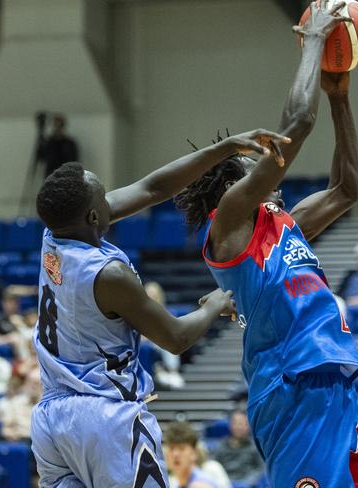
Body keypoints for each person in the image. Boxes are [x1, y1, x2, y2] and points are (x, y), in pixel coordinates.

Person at [175, 3, 358, 486]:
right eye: (254, 166)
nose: (269, 170)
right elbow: (296, 125)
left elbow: (348, 190)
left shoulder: (286, 223)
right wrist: (315, 42)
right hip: (291, 388)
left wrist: (339, 95)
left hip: (333, 385)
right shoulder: (231, 222)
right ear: (232, 186)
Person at [30, 129, 288, 484]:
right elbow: (176, 337)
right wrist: (214, 305)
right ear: (92, 216)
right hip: (104, 418)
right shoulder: (108, 274)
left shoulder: (55, 235)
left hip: (51, 421)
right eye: (103, 197)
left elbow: (153, 188)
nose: (111, 200)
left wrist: (223, 148)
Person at [213, 409, 263, 485]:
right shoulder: (220, 446)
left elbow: (261, 469)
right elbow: (212, 466)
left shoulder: (256, 447)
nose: (239, 427)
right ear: (230, 425)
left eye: (243, 423)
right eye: (236, 423)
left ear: (249, 425)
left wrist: (247, 483)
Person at [165, 422, 217, 488]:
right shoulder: (176, 483)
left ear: (194, 453)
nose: (175, 454)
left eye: (181, 448)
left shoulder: (200, 485)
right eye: (171, 448)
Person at [0, 369, 42, 442]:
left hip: (41, 444)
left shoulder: (49, 406)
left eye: (37, 383)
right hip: (20, 441)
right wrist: (11, 435)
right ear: (26, 384)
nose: (33, 387)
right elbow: (5, 429)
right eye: (31, 382)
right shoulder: (14, 402)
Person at [37, 114, 80, 179]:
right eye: (56, 125)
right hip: (51, 177)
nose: (58, 128)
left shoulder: (70, 143)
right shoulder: (49, 142)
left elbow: (74, 161)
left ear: (63, 126)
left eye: (60, 125)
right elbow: (42, 158)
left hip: (66, 178)